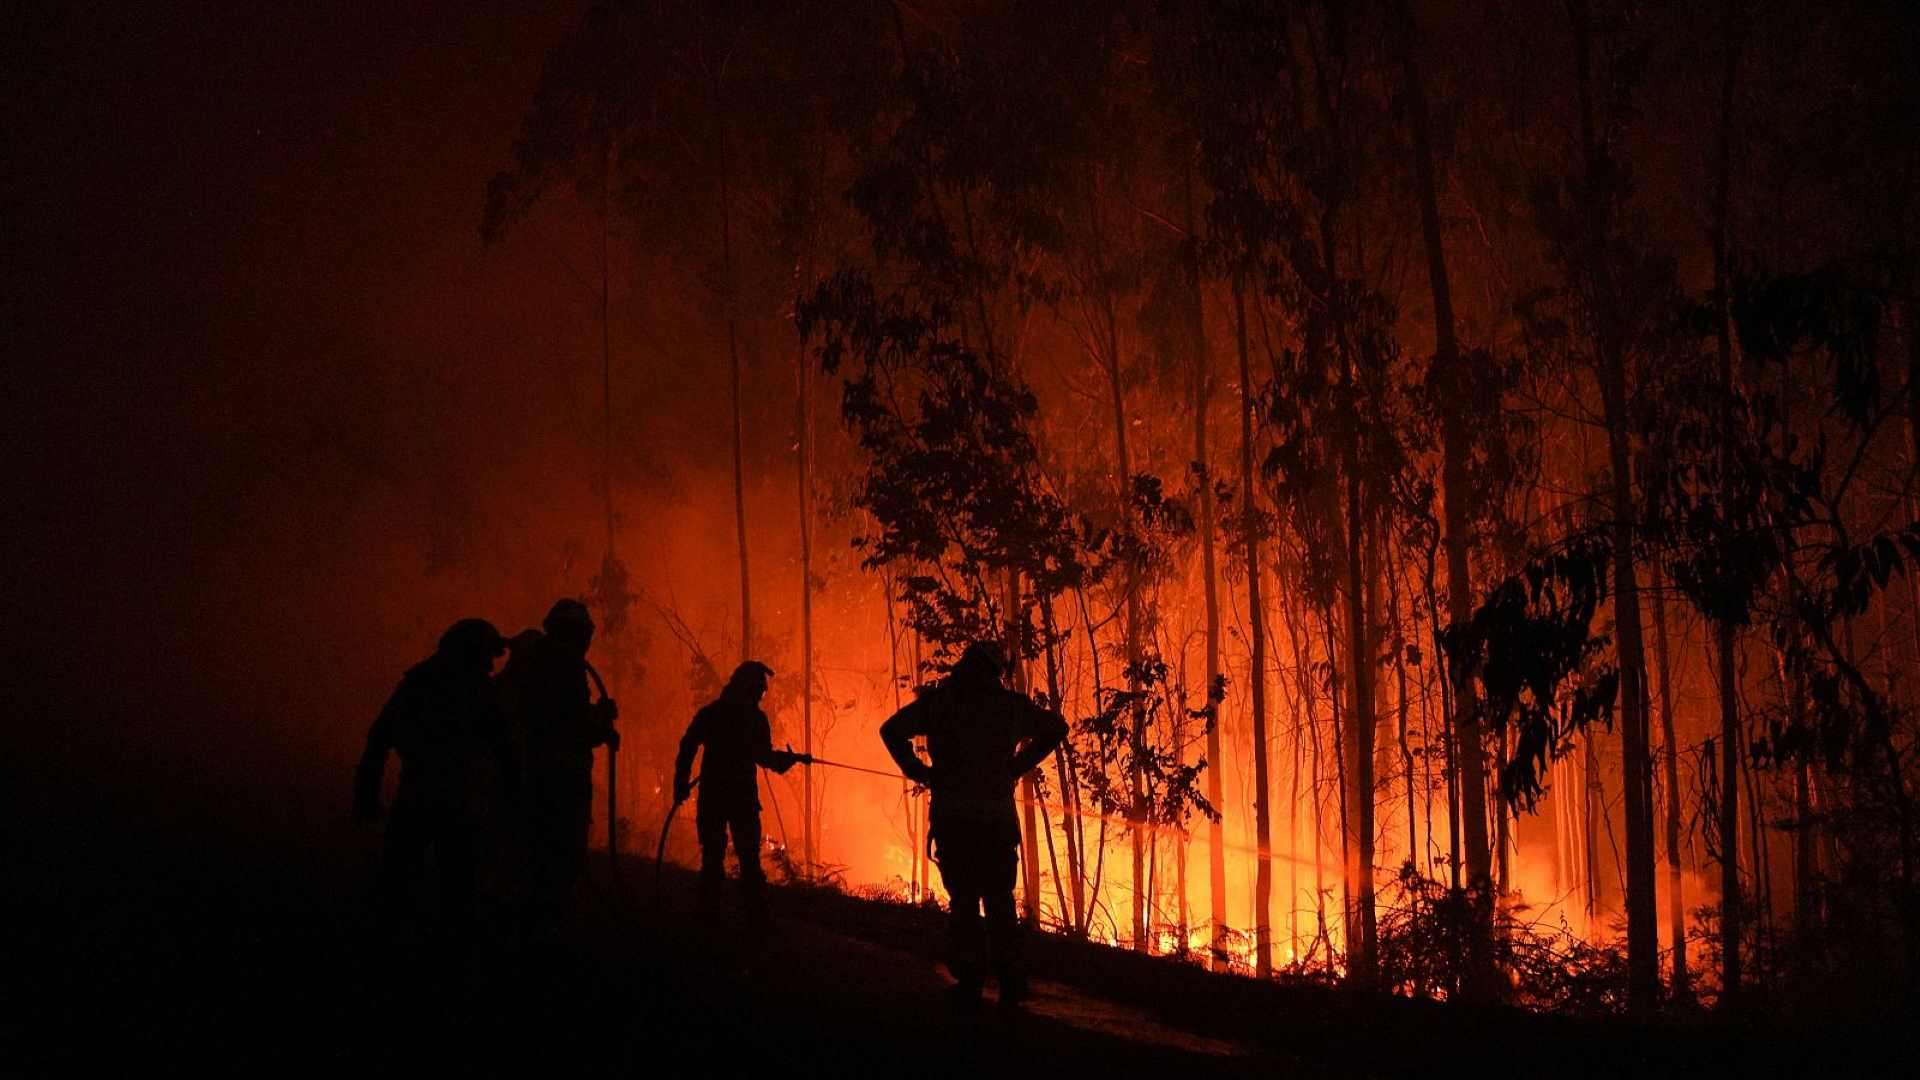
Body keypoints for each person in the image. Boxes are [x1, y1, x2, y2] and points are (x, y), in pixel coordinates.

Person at [879, 642, 1067, 1012]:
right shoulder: (1007, 707)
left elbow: (892, 730)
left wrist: (918, 771)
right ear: (996, 671)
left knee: (965, 902)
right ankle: (1009, 982)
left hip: (955, 819)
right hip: (993, 822)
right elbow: (1055, 727)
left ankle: (971, 981)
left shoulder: (942, 703)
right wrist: (1016, 767)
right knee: (998, 902)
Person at [354, 617, 514, 938]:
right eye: (487, 657)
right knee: (456, 896)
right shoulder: (480, 692)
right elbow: (507, 751)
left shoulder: (421, 681)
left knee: (398, 884)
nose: (490, 665)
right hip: (457, 805)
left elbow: (379, 737)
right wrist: (512, 802)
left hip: (418, 797)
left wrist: (367, 795)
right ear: (474, 653)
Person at [499, 598, 619, 922]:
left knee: (529, 859)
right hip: (557, 783)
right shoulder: (564, 667)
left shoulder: (532, 662)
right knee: (556, 863)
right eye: (585, 633)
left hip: (527, 778)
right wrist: (602, 724)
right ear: (577, 633)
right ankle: (543, 934)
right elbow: (570, 727)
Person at [672, 661, 797, 929]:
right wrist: (784, 762)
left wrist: (681, 781)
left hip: (716, 798)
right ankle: (752, 921)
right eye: (759, 691)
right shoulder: (753, 719)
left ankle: (711, 920)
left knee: (715, 859)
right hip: (740, 800)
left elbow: (688, 744)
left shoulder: (713, 714)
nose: (760, 696)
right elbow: (763, 757)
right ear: (749, 688)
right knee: (747, 861)